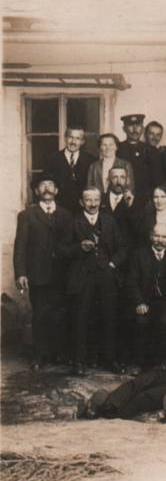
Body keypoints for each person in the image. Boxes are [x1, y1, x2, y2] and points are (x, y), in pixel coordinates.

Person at [59, 186, 127, 375]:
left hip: (106, 275)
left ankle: (109, 359)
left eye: (96, 200)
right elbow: (62, 250)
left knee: (109, 317)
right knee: (81, 318)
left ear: (101, 201)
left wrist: (113, 264)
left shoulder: (109, 221)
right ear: (82, 202)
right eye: (88, 200)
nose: (92, 204)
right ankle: (79, 362)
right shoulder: (73, 222)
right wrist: (79, 248)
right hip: (82, 276)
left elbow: (122, 247)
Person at [14, 173, 73, 370]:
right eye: (42, 185)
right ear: (36, 191)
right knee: (40, 314)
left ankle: (57, 353)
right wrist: (21, 273)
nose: (47, 188)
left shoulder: (66, 215)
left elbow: (70, 245)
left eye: (51, 185)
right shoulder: (27, 215)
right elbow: (20, 246)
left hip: (61, 274)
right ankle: (39, 356)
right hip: (38, 274)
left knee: (59, 314)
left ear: (57, 191)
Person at [126, 223, 166, 366]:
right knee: (141, 322)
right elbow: (131, 282)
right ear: (151, 236)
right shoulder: (139, 255)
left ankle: (159, 364)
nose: (160, 240)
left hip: (165, 302)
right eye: (157, 236)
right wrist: (139, 302)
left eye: (164, 237)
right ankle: (139, 364)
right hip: (144, 301)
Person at [44, 126, 97, 214]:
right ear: (65, 138)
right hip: (59, 209)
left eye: (77, 138)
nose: (73, 142)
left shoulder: (91, 160)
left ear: (82, 142)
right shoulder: (52, 159)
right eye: (70, 137)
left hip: (84, 210)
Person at [117, 113, 163, 201]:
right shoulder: (118, 149)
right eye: (131, 126)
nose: (135, 130)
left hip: (146, 201)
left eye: (138, 125)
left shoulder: (152, 151)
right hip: (122, 199)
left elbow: (158, 180)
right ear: (124, 129)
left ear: (142, 128)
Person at [134, 185, 166, 250]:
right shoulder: (145, 219)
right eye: (156, 197)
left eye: (163, 197)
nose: (159, 201)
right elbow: (141, 244)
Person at [100, 166, 140, 243]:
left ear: (127, 180)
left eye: (122, 177)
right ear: (108, 180)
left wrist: (130, 206)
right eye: (115, 177)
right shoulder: (100, 199)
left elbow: (137, 229)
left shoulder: (135, 201)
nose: (119, 182)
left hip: (126, 247)